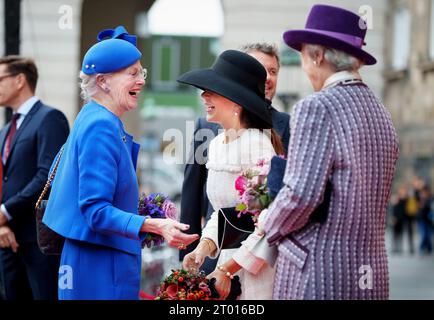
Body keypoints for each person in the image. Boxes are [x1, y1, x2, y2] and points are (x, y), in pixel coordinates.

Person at [42, 26, 199, 300]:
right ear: (103, 82)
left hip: (96, 259)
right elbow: (95, 210)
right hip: (100, 265)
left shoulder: (95, 118)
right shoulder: (101, 125)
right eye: (133, 73)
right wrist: (153, 224)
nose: (141, 81)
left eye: (142, 72)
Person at [262, 4, 399, 299]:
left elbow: (301, 195)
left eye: (302, 56)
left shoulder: (316, 107)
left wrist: (267, 223)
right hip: (371, 275)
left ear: (318, 56)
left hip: (318, 274)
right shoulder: (382, 114)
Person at [179, 49, 285, 299]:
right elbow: (225, 214)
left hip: (254, 271)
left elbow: (267, 224)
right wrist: (201, 250)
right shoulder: (216, 144)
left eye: (212, 90)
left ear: (236, 101)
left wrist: (228, 270)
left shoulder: (256, 144)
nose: (204, 96)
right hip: (225, 268)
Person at [0, 56, 70, 300]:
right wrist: (2, 222)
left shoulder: (50, 118)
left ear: (20, 80)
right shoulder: (6, 129)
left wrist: (6, 211)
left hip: (39, 241)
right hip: (7, 240)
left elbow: (48, 176)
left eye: (0, 79)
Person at [417, 185, 433, 255]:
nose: (423, 194)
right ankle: (422, 249)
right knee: (424, 235)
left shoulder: (430, 200)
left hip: (429, 221)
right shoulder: (420, 200)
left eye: (424, 192)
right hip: (422, 220)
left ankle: (429, 249)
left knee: (428, 235)